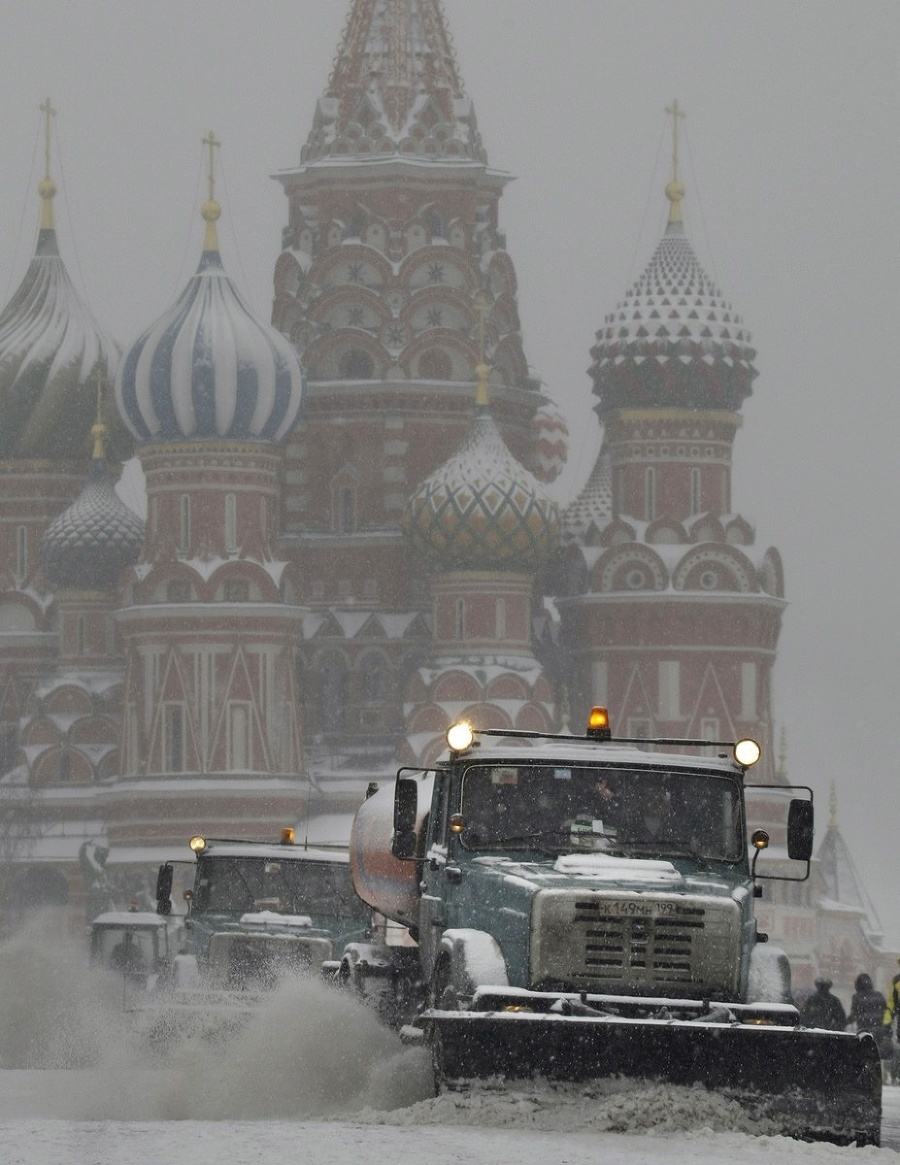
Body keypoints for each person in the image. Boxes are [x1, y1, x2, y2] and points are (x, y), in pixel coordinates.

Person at [848, 972, 893, 1077]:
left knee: (866, 1054)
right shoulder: (879, 995)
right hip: (880, 1030)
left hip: (866, 1031)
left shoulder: (857, 997)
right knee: (879, 1053)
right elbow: (886, 1013)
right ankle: (883, 1074)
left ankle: (869, 1075)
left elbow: (854, 1016)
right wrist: (887, 1029)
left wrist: (842, 1022)